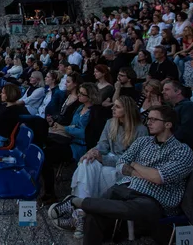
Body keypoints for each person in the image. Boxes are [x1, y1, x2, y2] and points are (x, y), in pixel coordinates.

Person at [55, 105, 193, 244]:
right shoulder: (143, 142)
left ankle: (78, 203)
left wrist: (134, 164)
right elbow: (120, 164)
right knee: (95, 214)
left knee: (128, 208)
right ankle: (83, 209)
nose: (149, 122)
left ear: (168, 124)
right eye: (148, 118)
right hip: (127, 187)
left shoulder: (182, 151)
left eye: (154, 119)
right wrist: (139, 172)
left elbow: (158, 178)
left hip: (154, 198)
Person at [50, 95, 148, 237]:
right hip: (108, 158)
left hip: (125, 168)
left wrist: (103, 159)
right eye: (113, 105)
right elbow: (102, 145)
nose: (113, 108)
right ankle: (81, 214)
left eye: (117, 106)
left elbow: (133, 160)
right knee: (86, 163)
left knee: (104, 172)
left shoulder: (141, 130)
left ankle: (80, 213)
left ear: (127, 110)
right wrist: (92, 152)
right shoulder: (110, 123)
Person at [162, 80, 193, 171]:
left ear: (178, 91)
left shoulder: (189, 107)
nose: (163, 92)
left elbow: (187, 134)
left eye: (167, 89)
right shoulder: (176, 108)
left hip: (191, 158)